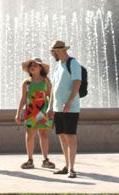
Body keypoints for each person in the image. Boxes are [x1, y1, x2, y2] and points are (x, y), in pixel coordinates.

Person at [14, 58, 55, 170]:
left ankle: (45, 159)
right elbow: (23, 98)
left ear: (41, 68)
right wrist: (18, 113)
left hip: (43, 111)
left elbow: (51, 96)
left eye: (36, 65)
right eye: (31, 65)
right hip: (31, 111)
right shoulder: (26, 82)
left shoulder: (46, 80)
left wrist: (51, 109)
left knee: (44, 135)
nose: (32, 66)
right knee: (30, 135)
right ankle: (30, 160)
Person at [49, 39, 82, 179]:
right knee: (62, 136)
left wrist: (70, 101)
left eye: (54, 51)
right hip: (58, 108)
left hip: (70, 108)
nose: (53, 54)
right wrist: (50, 106)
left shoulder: (73, 63)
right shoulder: (58, 66)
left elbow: (77, 82)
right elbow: (53, 88)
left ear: (60, 50)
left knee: (70, 137)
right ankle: (66, 165)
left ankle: (72, 168)